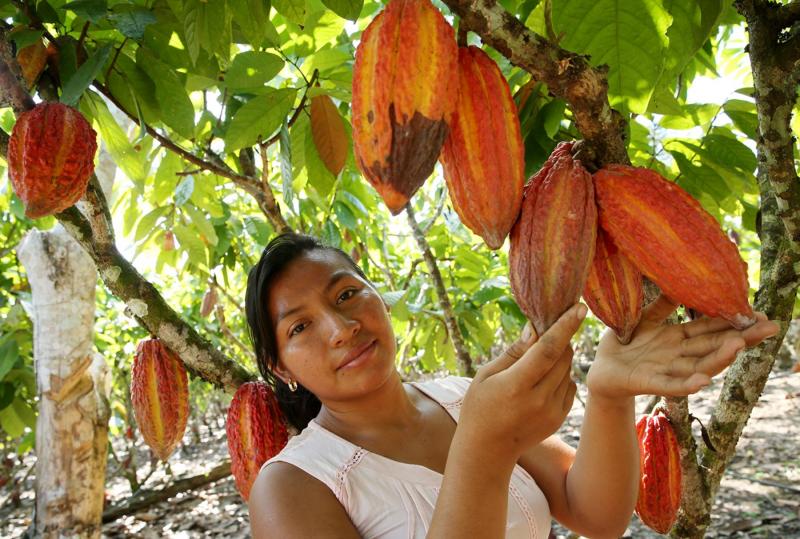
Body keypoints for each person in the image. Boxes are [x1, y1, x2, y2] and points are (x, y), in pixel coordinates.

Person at [244, 232, 778, 538]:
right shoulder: (291, 486)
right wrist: (485, 446)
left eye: (346, 295)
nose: (342, 329)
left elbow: (595, 513)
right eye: (300, 327)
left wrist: (610, 394)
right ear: (281, 367)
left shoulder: (460, 396)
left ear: (378, 297)